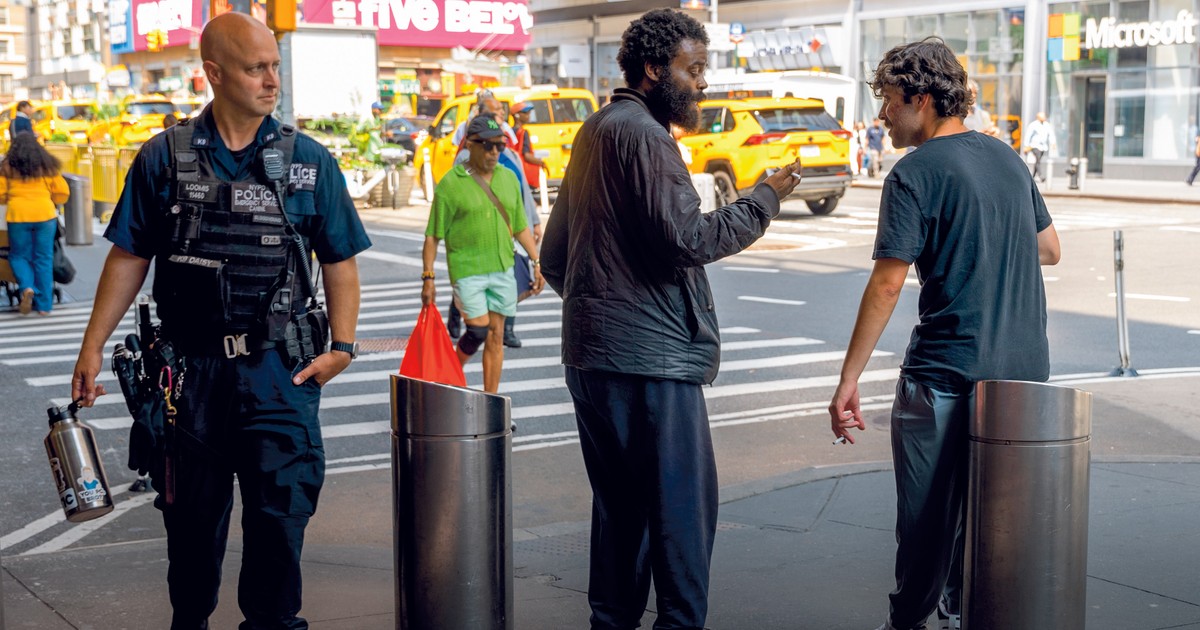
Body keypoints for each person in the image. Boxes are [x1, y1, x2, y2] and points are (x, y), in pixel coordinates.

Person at [69, 12, 371, 629]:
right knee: (190, 532)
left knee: (279, 526)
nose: (272, 80)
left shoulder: (309, 160)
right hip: (190, 378)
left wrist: (342, 346)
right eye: (256, 68)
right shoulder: (164, 158)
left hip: (280, 373)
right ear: (214, 73)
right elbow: (129, 256)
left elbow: (339, 259)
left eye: (274, 66)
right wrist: (91, 347)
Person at [540, 9, 801, 629]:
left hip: (595, 358)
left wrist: (601, 310)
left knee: (620, 512)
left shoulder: (597, 128)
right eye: (695, 69)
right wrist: (765, 198)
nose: (703, 82)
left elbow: (555, 256)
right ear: (655, 69)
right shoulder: (646, 136)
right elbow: (691, 238)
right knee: (681, 514)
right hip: (649, 363)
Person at [826, 37, 1061, 630]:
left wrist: (848, 379)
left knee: (927, 522)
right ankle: (963, 612)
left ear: (922, 99)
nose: (883, 114)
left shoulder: (914, 173)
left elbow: (887, 285)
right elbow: (1049, 248)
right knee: (993, 520)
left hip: (945, 374)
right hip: (1022, 375)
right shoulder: (1007, 158)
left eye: (889, 100)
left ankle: (907, 621)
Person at [422, 115, 544, 393]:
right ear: (469, 145)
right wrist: (428, 277)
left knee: (496, 334)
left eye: (499, 146)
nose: (494, 152)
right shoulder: (451, 183)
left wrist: (537, 261)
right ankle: (448, 376)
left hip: (502, 267)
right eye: (487, 146)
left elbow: (520, 226)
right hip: (467, 270)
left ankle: (491, 399)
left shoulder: (508, 178)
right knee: (478, 329)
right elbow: (432, 236)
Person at [445, 94, 541, 348]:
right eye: (495, 111)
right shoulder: (465, 157)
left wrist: (534, 221)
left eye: (501, 110)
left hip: (510, 227)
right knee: (476, 295)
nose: (501, 114)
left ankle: (505, 329)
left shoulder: (510, 155)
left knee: (513, 276)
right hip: (476, 241)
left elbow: (522, 189)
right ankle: (460, 315)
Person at [0, 133, 69, 316]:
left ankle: (27, 287)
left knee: (18, 256)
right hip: (45, 215)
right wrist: (51, 199)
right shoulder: (47, 166)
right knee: (43, 258)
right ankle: (44, 306)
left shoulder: (7, 167)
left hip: (18, 215)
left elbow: (0, 193)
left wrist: (10, 199)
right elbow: (62, 191)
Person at [510, 101, 546, 188]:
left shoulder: (509, 131)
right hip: (524, 175)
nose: (528, 116)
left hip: (514, 171)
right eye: (525, 113)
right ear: (517, 115)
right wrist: (542, 163)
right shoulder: (523, 132)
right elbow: (527, 156)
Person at [1024, 111, 1056, 183]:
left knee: (1037, 161)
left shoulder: (1046, 125)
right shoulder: (1033, 125)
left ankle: (1032, 177)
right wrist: (1026, 145)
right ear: (1038, 117)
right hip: (1035, 146)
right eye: (1043, 116)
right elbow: (1028, 135)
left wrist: (1053, 143)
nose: (1044, 117)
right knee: (1038, 160)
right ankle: (1040, 176)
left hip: (1043, 147)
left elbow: (1051, 134)